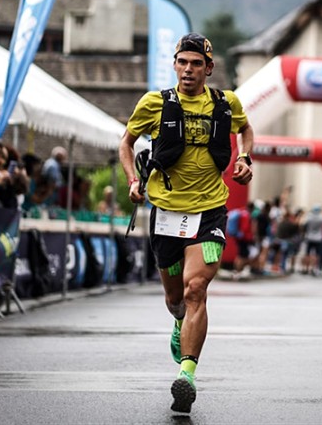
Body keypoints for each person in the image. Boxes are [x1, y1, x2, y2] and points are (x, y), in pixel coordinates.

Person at [118, 33, 254, 413]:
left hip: (210, 209)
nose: (188, 69)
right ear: (175, 65)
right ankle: (179, 321)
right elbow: (126, 144)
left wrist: (245, 159)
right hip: (165, 211)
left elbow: (245, 129)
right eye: (183, 62)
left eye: (196, 63)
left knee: (197, 289)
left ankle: (187, 375)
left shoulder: (227, 103)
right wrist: (133, 180)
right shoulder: (154, 103)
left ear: (209, 68)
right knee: (175, 298)